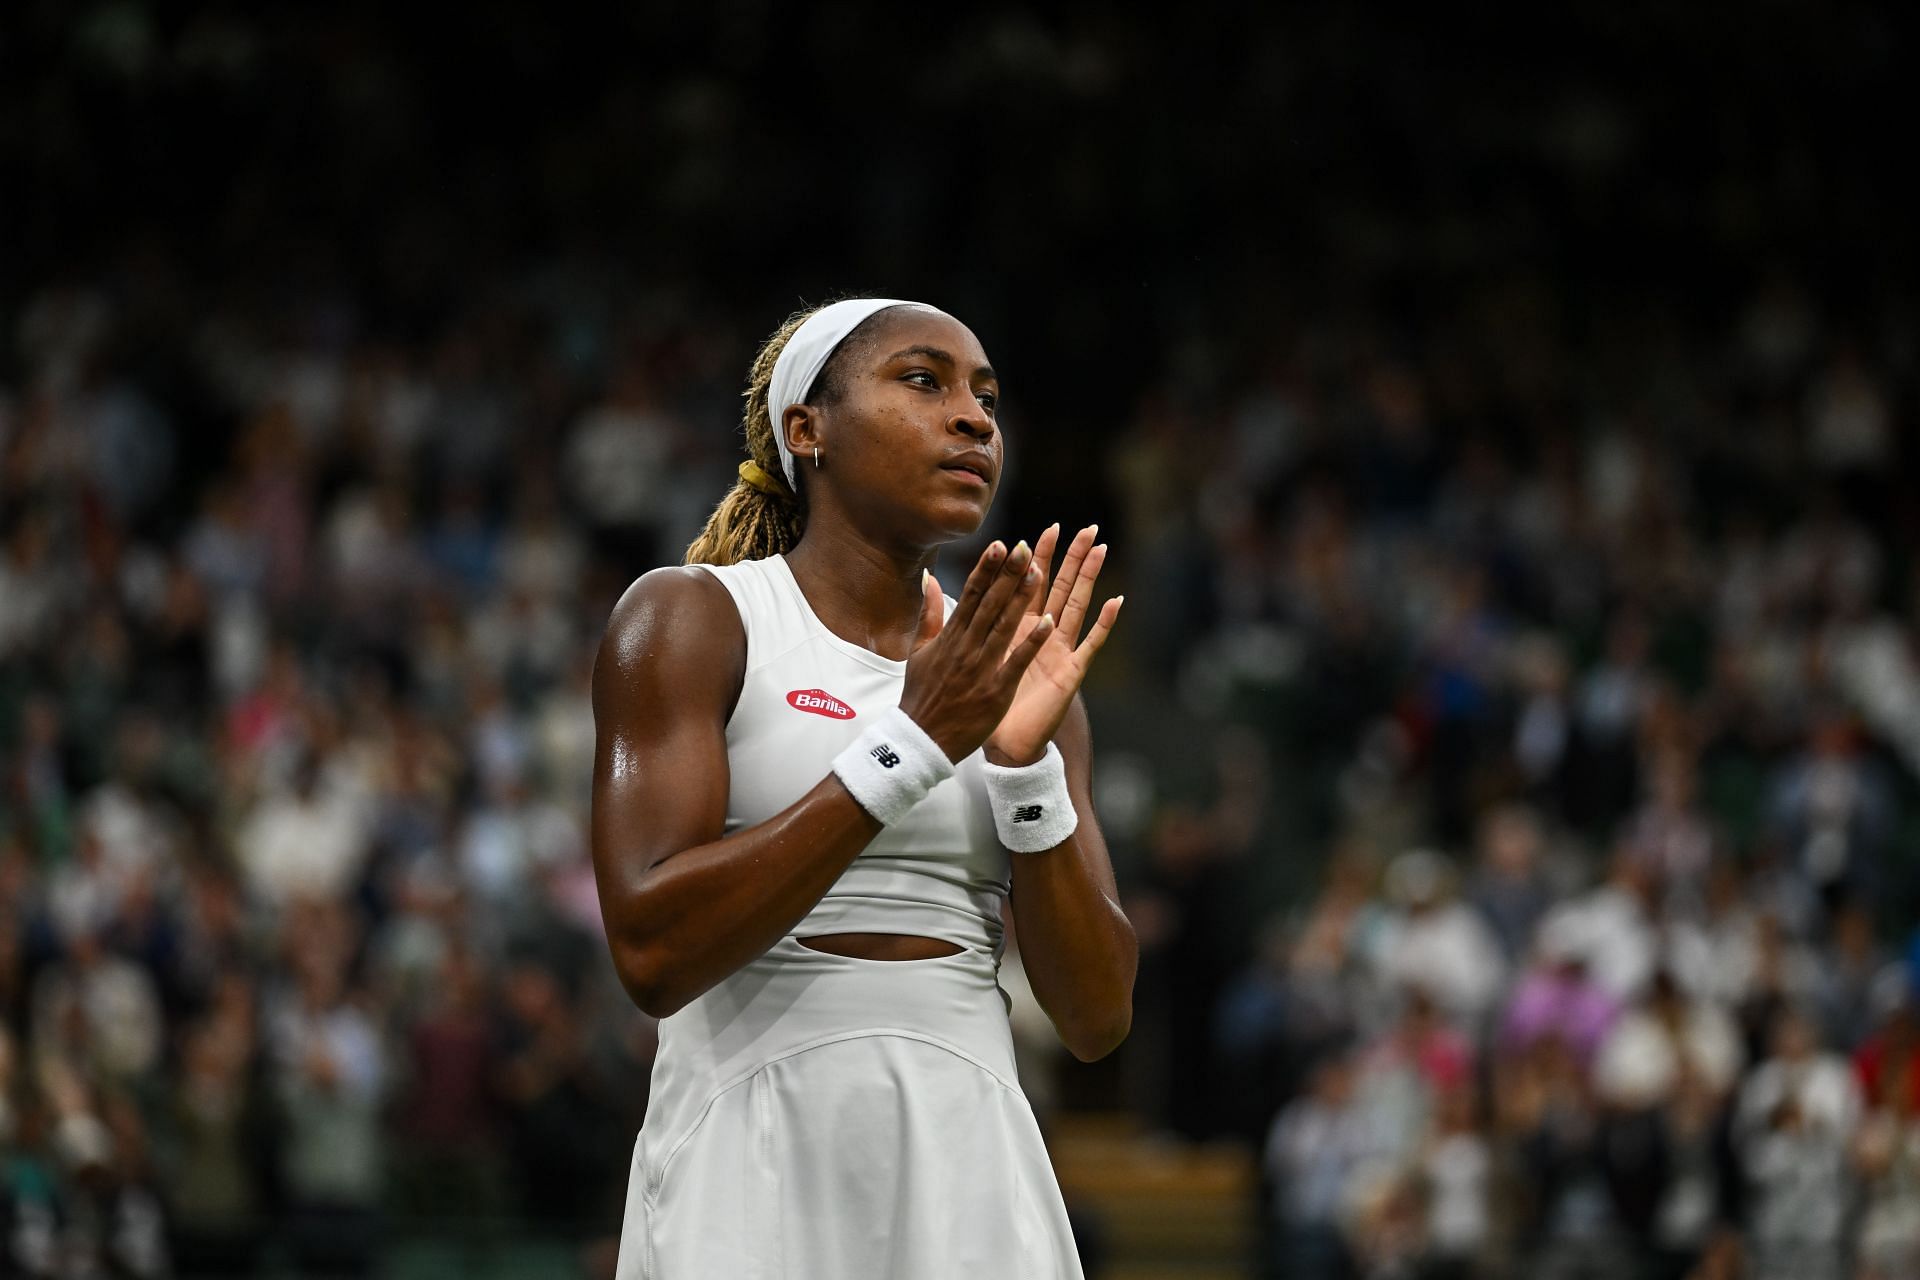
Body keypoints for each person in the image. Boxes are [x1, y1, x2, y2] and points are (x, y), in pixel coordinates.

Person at [590, 297, 1136, 1277]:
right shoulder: (692, 618)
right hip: (746, 1143)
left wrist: (1024, 768)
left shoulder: (1012, 673)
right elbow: (651, 948)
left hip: (973, 1152)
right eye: (923, 380)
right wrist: (913, 743)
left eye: (987, 397)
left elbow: (1096, 1016)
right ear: (807, 429)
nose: (974, 417)